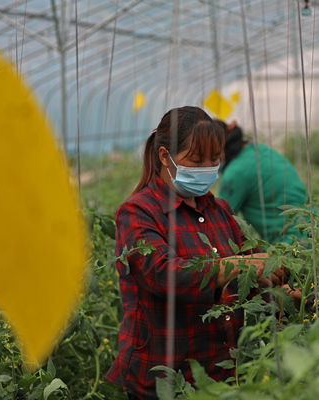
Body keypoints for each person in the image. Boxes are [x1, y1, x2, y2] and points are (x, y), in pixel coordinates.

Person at [105, 107, 288, 400]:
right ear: (165, 157)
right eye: (196, 160)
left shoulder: (220, 210)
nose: (206, 168)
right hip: (165, 378)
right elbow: (163, 274)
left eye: (214, 159)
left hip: (225, 374)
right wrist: (239, 265)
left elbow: (252, 275)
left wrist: (285, 292)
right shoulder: (138, 212)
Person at [217, 121, 307, 244]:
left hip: (289, 246)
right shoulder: (261, 149)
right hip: (315, 234)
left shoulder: (236, 172)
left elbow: (219, 224)